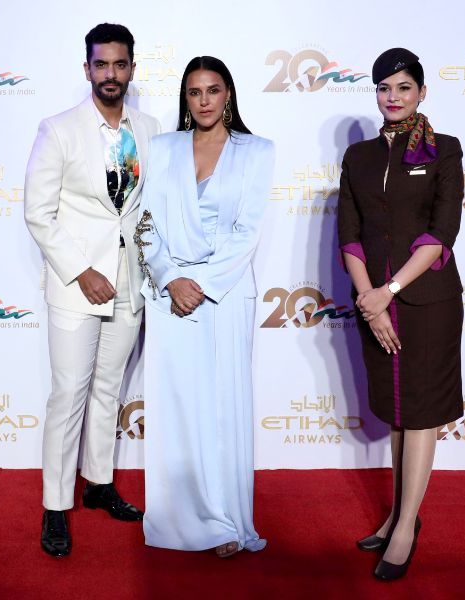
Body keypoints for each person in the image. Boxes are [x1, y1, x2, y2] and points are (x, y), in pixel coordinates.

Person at [24, 23, 160, 557]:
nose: (110, 74)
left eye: (119, 64)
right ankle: (55, 505)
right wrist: (81, 270)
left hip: (130, 284)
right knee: (69, 395)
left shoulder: (149, 130)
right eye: (101, 64)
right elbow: (38, 213)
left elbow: (146, 210)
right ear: (87, 69)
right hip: (76, 286)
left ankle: (99, 482)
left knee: (109, 389)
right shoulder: (58, 130)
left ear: (132, 69)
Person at [135, 56, 274, 558]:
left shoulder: (257, 151)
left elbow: (247, 232)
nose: (204, 100)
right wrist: (171, 278)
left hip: (227, 294)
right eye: (194, 92)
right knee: (177, 407)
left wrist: (202, 283)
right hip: (169, 292)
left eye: (213, 90)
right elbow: (145, 222)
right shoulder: (163, 148)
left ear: (228, 94)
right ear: (186, 99)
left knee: (223, 406)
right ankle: (182, 517)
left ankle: (228, 518)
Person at [338, 48, 464, 581]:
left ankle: (407, 526)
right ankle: (396, 515)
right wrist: (370, 300)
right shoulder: (359, 156)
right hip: (375, 303)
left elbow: (441, 233)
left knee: (421, 414)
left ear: (421, 92)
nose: (393, 97)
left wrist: (388, 291)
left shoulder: (444, 150)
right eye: (385, 88)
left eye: (404, 87)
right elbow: (349, 234)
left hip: (426, 302)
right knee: (397, 412)